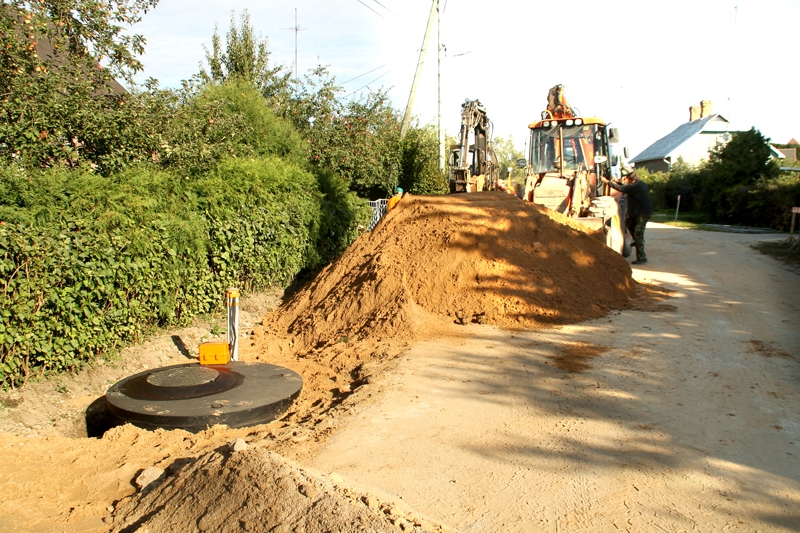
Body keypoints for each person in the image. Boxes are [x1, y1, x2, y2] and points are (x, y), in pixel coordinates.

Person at [600, 170, 653, 264]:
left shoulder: (638, 186)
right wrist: (616, 182)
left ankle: (642, 257)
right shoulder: (637, 184)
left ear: (633, 180)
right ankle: (637, 240)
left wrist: (607, 182)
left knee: (638, 234)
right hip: (638, 212)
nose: (626, 181)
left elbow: (622, 188)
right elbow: (626, 187)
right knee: (628, 223)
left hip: (643, 213)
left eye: (627, 180)